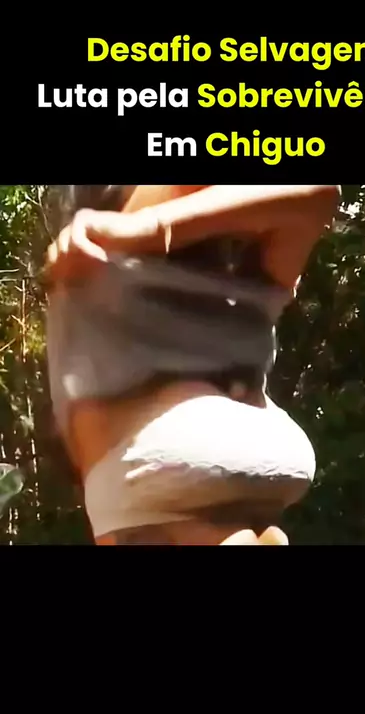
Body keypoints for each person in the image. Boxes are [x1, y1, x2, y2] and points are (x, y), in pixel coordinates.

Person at [44, 184, 340, 545]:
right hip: (152, 526)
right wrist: (146, 228)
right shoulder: (99, 266)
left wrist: (155, 228)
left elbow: (318, 193)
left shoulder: (244, 290)